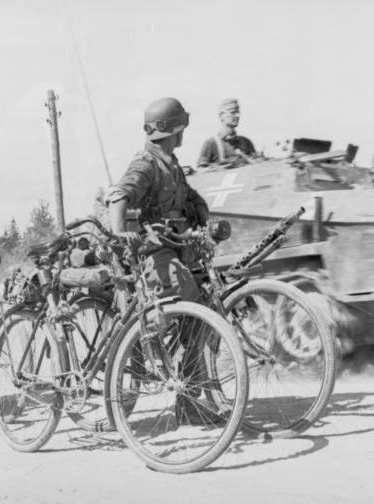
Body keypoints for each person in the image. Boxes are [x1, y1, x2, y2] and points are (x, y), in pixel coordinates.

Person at [107, 97, 221, 424]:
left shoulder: (169, 162)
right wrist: (118, 237)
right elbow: (118, 195)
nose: (184, 133)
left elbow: (189, 196)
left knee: (205, 303)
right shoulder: (146, 163)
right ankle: (171, 373)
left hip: (175, 245)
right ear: (172, 130)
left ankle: (189, 397)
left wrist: (201, 215)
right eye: (181, 127)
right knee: (188, 294)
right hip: (151, 252)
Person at [196, 98, 257, 168]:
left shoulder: (246, 142)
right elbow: (201, 171)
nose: (237, 115)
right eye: (233, 112)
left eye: (238, 112)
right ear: (221, 116)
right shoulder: (211, 144)